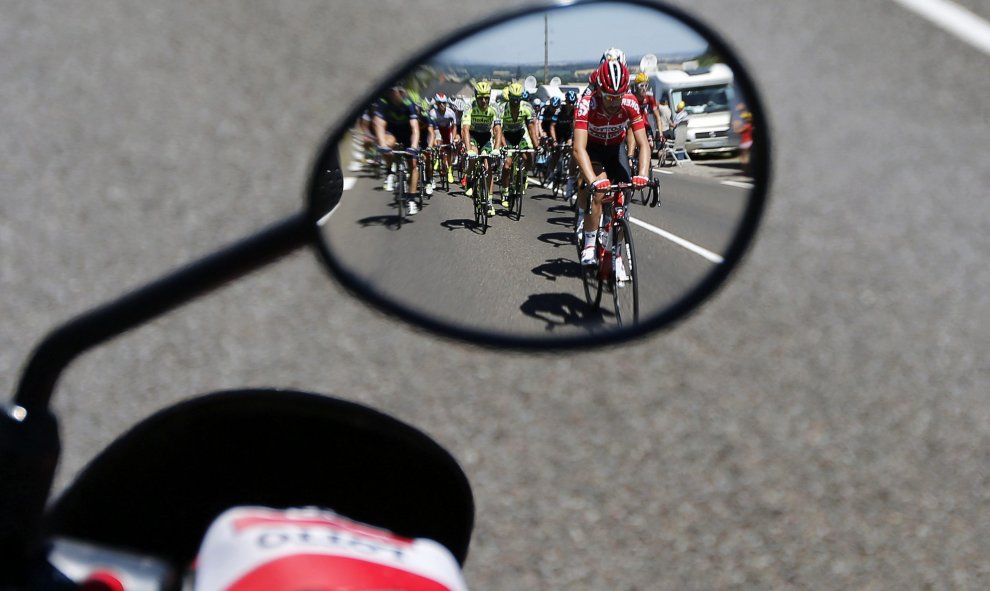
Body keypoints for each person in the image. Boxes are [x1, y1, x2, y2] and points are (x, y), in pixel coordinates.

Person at [572, 58, 651, 272]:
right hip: (593, 150)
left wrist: (643, 173)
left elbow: (643, 143)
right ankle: (589, 243)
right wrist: (593, 182)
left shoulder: (630, 102)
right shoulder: (586, 104)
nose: (614, 102)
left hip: (616, 150)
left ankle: (616, 254)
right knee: (599, 190)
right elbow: (578, 149)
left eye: (618, 96)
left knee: (624, 200)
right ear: (599, 91)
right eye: (609, 97)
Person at [373, 86, 421, 215]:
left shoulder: (408, 103)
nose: (393, 94)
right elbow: (379, 125)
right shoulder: (383, 103)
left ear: (400, 92)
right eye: (390, 91)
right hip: (392, 132)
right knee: (387, 145)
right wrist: (383, 146)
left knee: (413, 164)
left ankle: (411, 200)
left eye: (395, 91)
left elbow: (415, 128)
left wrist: (413, 147)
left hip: (407, 132)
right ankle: (389, 172)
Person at [460, 80, 500, 216]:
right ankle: (470, 179)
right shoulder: (469, 106)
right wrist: (468, 150)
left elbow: (497, 130)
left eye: (486, 97)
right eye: (481, 97)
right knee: (474, 154)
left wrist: (496, 148)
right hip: (473, 136)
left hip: (486, 137)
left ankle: (489, 201)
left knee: (488, 168)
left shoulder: (494, 107)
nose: (484, 101)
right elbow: (465, 130)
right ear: (476, 97)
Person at [497, 82, 537, 207]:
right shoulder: (501, 108)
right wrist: (503, 146)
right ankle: (505, 191)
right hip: (507, 136)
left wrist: (537, 146)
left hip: (520, 135)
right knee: (507, 166)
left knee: (529, 156)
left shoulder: (527, 107)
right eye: (513, 99)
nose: (515, 102)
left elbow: (531, 129)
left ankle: (524, 175)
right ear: (509, 97)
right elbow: (499, 130)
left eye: (518, 99)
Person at [627, 71, 662, 164]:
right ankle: (630, 158)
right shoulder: (631, 97)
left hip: (644, 124)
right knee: (632, 130)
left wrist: (661, 134)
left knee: (650, 145)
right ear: (636, 87)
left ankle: (645, 162)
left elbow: (657, 116)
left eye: (646, 85)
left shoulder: (649, 97)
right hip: (633, 124)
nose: (644, 88)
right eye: (641, 86)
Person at [429, 93, 460, 186]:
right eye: (439, 103)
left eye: (444, 103)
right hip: (436, 129)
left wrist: (453, 138)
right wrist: (433, 139)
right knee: (438, 142)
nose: (442, 105)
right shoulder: (432, 113)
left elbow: (454, 126)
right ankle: (437, 158)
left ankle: (449, 170)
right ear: (436, 104)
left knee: (449, 148)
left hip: (447, 129)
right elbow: (431, 128)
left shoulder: (450, 112)